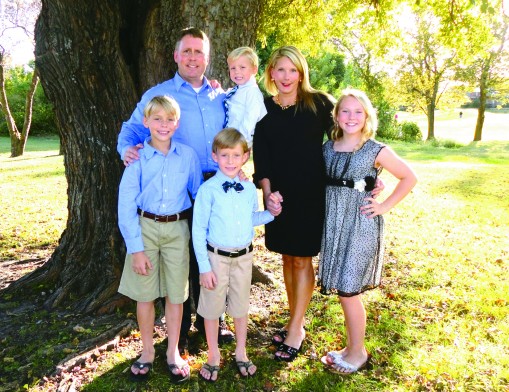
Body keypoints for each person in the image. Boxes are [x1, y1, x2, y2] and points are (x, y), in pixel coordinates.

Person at [117, 27, 234, 352]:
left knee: (212, 253)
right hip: (179, 189)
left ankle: (213, 320)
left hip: (216, 182)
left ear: (207, 57)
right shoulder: (160, 94)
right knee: (182, 255)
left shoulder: (219, 95)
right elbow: (130, 131)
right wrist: (126, 150)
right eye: (187, 51)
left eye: (199, 52)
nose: (193, 57)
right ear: (176, 56)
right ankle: (178, 335)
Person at [319, 88, 417, 375]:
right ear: (336, 116)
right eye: (345, 111)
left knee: (349, 291)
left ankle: (359, 353)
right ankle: (350, 347)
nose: (351, 117)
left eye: (357, 112)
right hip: (335, 225)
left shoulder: (375, 149)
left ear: (367, 116)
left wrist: (384, 205)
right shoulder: (328, 147)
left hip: (360, 225)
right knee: (343, 290)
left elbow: (409, 177)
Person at [252, 45, 336, 362]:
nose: (287, 76)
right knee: (287, 259)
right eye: (281, 69)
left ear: (301, 73)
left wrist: (370, 169)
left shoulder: (319, 103)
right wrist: (268, 193)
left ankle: (296, 330)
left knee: (302, 260)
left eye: (293, 70)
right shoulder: (264, 108)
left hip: (311, 194)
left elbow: (343, 139)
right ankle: (294, 321)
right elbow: (263, 156)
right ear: (271, 72)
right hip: (278, 197)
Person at [117, 95, 202, 382]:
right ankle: (147, 351)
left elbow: (198, 194)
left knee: (176, 294)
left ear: (177, 123)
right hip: (146, 229)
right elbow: (125, 205)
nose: (163, 125)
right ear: (146, 122)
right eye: (157, 119)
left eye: (169, 119)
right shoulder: (137, 157)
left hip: (178, 229)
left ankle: (173, 352)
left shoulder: (187, 156)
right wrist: (136, 249)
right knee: (145, 294)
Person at [192, 128, 280, 381]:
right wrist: (204, 267)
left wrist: (272, 213)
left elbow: (252, 218)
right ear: (214, 156)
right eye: (224, 155)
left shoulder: (249, 187)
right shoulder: (208, 190)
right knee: (210, 309)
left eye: (236, 155)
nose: (230, 161)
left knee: (240, 308)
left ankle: (241, 352)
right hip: (215, 258)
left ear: (245, 156)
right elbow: (198, 230)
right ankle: (213, 355)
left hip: (244, 258)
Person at [223, 47, 267, 148]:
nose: (237, 72)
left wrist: (238, 142)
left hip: (239, 141)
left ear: (254, 69)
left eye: (242, 67)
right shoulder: (236, 90)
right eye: (233, 68)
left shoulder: (252, 92)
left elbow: (250, 119)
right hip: (229, 139)